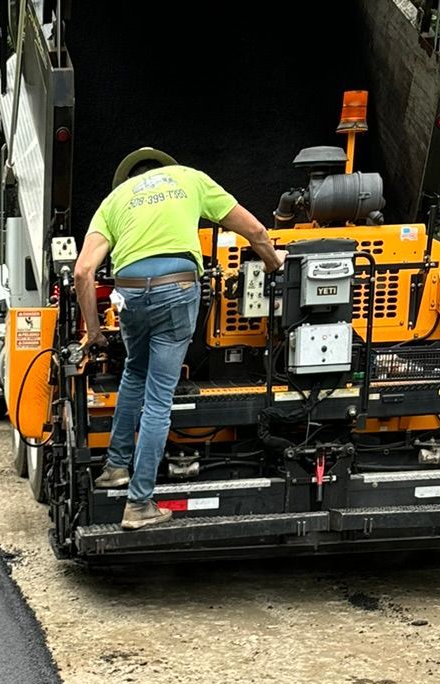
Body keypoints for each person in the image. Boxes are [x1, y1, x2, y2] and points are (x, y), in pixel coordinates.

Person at [73, 149, 284, 528]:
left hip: (130, 292)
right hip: (176, 289)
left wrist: (93, 332)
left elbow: (83, 272)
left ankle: (116, 467)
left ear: (129, 178)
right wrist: (273, 264)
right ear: (165, 169)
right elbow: (254, 231)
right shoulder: (190, 178)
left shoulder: (114, 200)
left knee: (134, 372)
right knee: (159, 397)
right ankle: (139, 505)